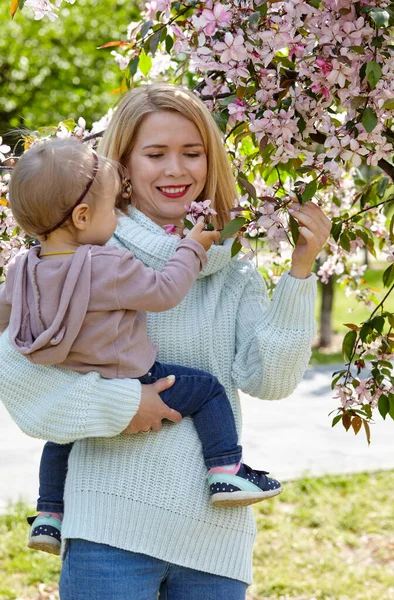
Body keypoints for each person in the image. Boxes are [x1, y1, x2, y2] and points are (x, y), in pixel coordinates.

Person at [0, 83, 331, 599]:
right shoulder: (79, 257)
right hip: (107, 532)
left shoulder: (232, 270)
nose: (177, 170)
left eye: (192, 153)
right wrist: (125, 402)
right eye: (156, 154)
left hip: (213, 540)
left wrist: (300, 272)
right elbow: (21, 382)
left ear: (210, 161)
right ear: (124, 167)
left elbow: (272, 381)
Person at [0, 136, 283, 556]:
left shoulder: (22, 270)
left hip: (77, 376)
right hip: (135, 375)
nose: (116, 216)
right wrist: (192, 249)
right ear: (82, 216)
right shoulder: (105, 264)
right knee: (207, 390)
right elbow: (165, 291)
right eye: (111, 207)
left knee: (63, 439)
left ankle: (49, 513)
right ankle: (225, 468)